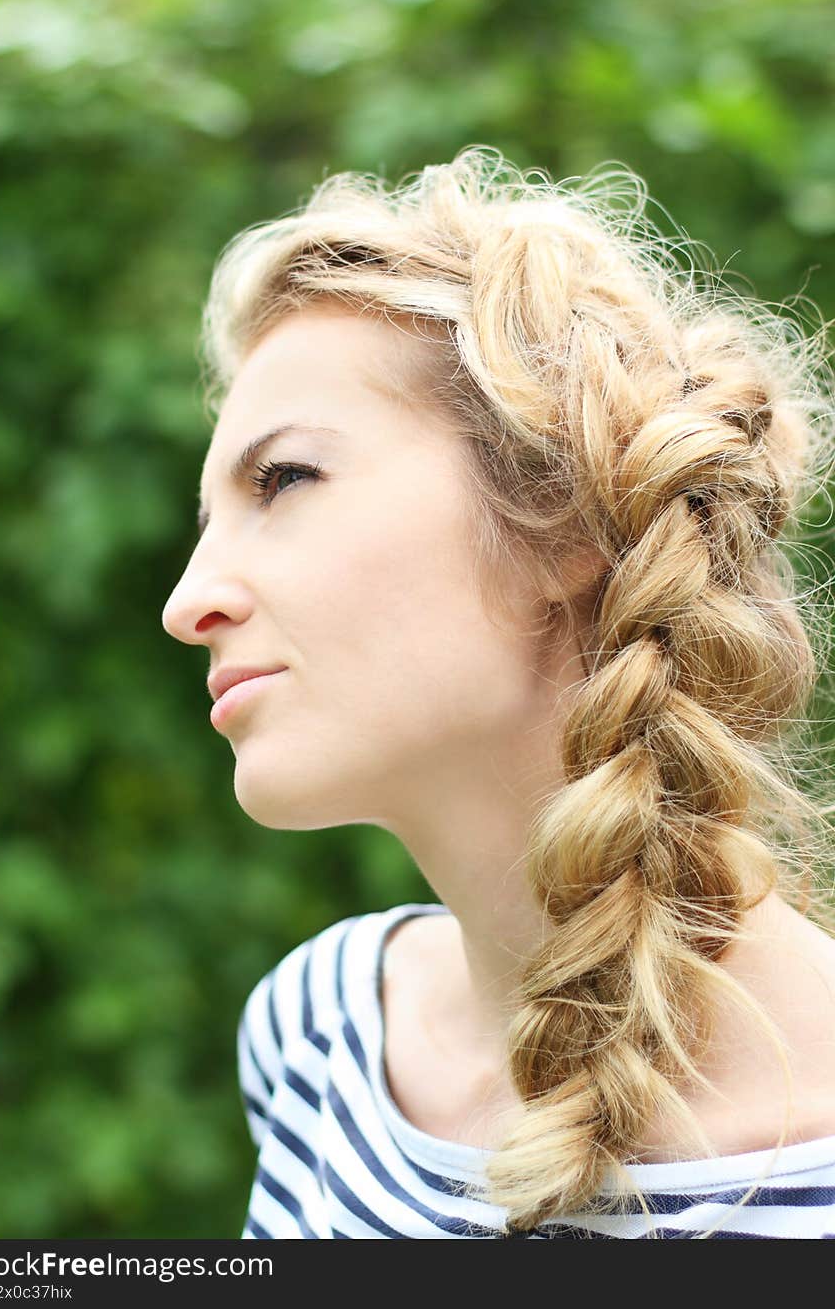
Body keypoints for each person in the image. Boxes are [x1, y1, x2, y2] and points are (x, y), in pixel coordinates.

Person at [161, 147, 835, 1238]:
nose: (188, 601)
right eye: (207, 521)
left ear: (564, 516)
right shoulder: (322, 1033)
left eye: (283, 480)